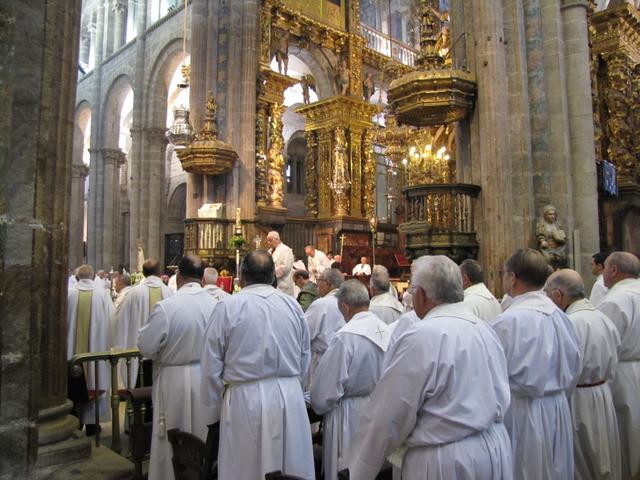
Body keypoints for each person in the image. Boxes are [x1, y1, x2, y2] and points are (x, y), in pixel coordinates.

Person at [348, 256, 513, 479]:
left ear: (421, 294)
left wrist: (360, 468)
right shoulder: (484, 329)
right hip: (493, 448)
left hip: (446, 460)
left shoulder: (421, 336)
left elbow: (389, 413)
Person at [200, 251, 315, 479]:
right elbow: (305, 356)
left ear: (241, 277)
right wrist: (291, 384)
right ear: (273, 275)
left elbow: (210, 367)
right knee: (289, 463)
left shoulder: (228, 307)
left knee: (246, 467)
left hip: (245, 400)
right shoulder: (292, 306)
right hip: (288, 399)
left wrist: (214, 412)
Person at [490, 248, 581, 480]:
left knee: (525, 468)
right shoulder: (560, 315)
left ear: (513, 277)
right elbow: (574, 367)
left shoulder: (508, 321)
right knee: (555, 467)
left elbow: (491, 377)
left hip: (521, 412)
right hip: (557, 407)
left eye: (504, 273)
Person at [138, 255, 218, 480]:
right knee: (202, 431)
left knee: (172, 431)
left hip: (174, 379)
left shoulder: (167, 307)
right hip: (206, 377)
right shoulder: (216, 305)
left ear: (178, 276)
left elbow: (146, 346)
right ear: (202, 278)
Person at [544, 269, 621, 480]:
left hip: (577, 399)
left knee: (583, 460)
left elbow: (562, 368)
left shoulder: (569, 322)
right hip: (603, 394)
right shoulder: (600, 315)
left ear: (558, 295)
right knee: (603, 455)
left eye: (548, 294)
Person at [310, 280, 390, 480]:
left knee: (347, 465)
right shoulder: (385, 329)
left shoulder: (345, 337)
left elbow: (324, 393)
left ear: (345, 307)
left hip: (349, 413)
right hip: (377, 407)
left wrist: (317, 401)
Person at [597, 251, 640, 479]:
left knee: (626, 435)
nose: (603, 272)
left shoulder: (615, 299)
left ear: (613, 270)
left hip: (623, 375)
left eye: (604, 267)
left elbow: (604, 345)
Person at [67, 264, 115, 433]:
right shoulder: (102, 295)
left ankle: (74, 420)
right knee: (96, 379)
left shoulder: (69, 294)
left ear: (77, 277)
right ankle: (93, 424)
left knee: (73, 381)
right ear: (94, 277)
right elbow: (112, 320)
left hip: (72, 349)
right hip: (97, 348)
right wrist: (110, 344)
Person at [115, 258, 173, 386]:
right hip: (163, 356)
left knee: (139, 391)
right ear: (159, 272)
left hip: (137, 354)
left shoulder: (133, 293)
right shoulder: (169, 292)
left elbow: (121, 320)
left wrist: (121, 346)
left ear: (143, 273)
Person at [304, 268, 345, 390]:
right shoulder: (347, 301)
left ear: (328, 283)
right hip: (343, 360)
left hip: (322, 361)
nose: (317, 284)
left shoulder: (321, 304)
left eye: (319, 280)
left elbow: (305, 333)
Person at [535, 204, 568, 269]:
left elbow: (562, 234)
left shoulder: (557, 224)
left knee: (563, 257)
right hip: (546, 248)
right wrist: (542, 241)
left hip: (557, 247)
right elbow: (540, 235)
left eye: (554, 214)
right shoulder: (541, 224)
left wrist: (562, 239)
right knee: (548, 259)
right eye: (550, 214)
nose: (552, 216)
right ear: (545, 215)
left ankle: (560, 272)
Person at [266, 230, 295, 296]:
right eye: (267, 241)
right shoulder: (269, 251)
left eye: (270, 240)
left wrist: (270, 274)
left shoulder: (285, 250)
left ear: (277, 239)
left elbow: (285, 267)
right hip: (271, 284)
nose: (268, 243)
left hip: (283, 285)